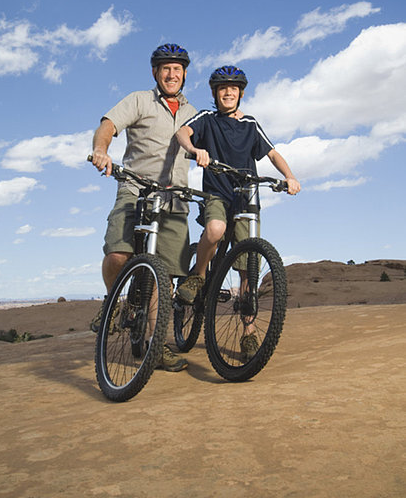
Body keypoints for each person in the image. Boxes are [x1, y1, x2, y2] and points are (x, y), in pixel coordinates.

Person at [175, 65, 301, 362]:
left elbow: (271, 153)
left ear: (241, 93)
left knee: (249, 267)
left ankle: (248, 333)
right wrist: (195, 150)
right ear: (215, 94)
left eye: (234, 88)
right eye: (222, 88)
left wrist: (290, 176)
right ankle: (198, 276)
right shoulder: (207, 120)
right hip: (217, 193)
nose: (228, 92)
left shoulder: (250, 125)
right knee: (216, 229)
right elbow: (182, 132)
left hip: (246, 198)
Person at [90, 43, 197, 372]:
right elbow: (108, 125)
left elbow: (212, 147)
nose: (171, 74)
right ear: (155, 72)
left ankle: (156, 346)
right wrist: (100, 150)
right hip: (136, 188)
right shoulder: (139, 100)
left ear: (184, 74)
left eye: (177, 69)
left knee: (162, 277)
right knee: (118, 255)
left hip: (174, 198)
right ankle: (114, 303)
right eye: (165, 68)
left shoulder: (195, 113)